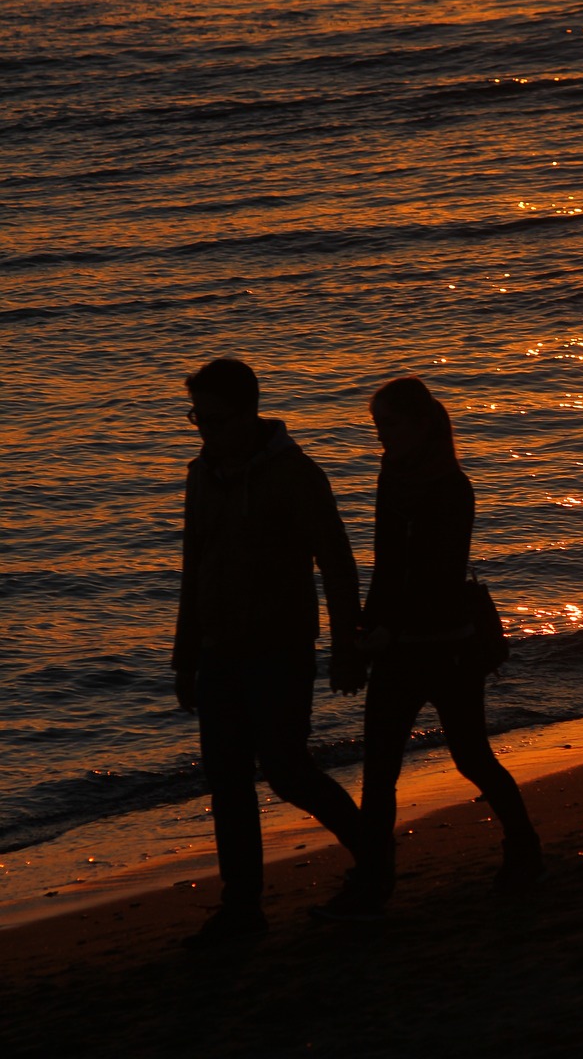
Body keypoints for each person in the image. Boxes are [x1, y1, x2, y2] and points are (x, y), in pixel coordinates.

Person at [318, 376, 543, 921]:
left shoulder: (451, 487)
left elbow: (436, 577)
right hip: (400, 646)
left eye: (389, 426)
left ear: (421, 424)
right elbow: (388, 566)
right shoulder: (391, 478)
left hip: (446, 647)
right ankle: (374, 879)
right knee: (380, 770)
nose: (381, 438)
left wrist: (385, 632)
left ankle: (523, 848)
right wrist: (362, 632)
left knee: (470, 755)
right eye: (377, 428)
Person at [173, 357, 366, 948]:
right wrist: (185, 654)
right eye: (196, 420)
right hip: (218, 652)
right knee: (227, 781)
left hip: (280, 650)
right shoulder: (201, 475)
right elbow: (193, 564)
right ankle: (242, 907)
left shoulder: (296, 475)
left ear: (247, 415)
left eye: (213, 421)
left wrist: (346, 646)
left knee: (285, 770)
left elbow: (336, 562)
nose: (203, 432)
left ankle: (371, 852)